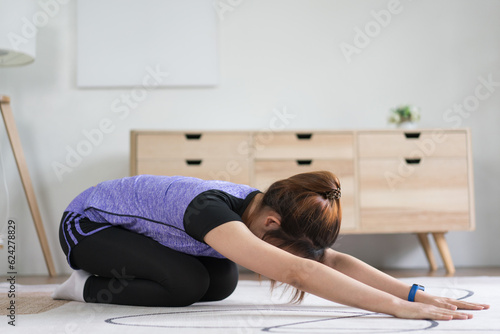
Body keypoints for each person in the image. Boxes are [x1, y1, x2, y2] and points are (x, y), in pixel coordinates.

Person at [52, 171, 489, 320]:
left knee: (221, 280)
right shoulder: (212, 211)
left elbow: (328, 260)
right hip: (89, 226)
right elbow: (300, 271)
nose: (290, 256)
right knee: (185, 284)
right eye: (288, 246)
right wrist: (392, 309)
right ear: (274, 222)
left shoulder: (261, 207)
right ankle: (83, 286)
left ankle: (110, 278)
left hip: (137, 234)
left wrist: (412, 293)